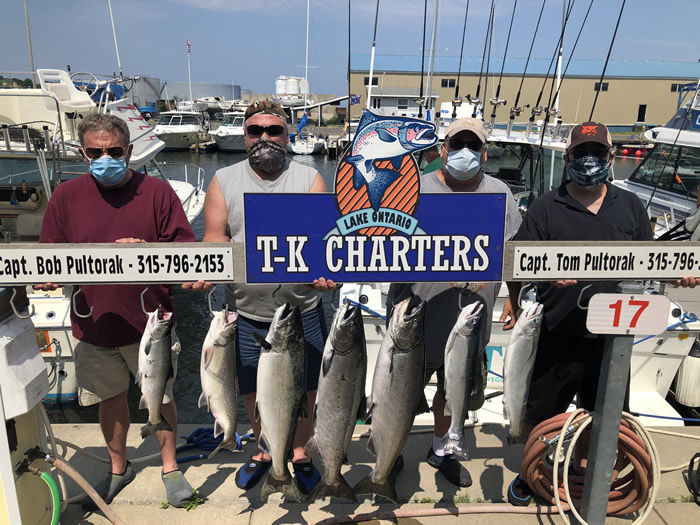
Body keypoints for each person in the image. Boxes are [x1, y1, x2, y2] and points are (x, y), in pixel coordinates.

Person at [36, 113, 196, 509]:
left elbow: (188, 250)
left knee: (161, 396)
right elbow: (49, 254)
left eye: (113, 151)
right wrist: (46, 276)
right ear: (82, 152)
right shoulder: (65, 196)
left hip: (151, 323)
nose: (105, 157)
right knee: (110, 398)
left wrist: (145, 248)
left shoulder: (158, 192)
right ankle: (117, 467)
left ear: (129, 151)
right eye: (96, 151)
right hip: (94, 321)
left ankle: (170, 467)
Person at [183, 100, 335, 495]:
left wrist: (326, 275)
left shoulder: (309, 179)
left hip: (302, 310)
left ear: (288, 136)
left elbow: (323, 240)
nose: (264, 137)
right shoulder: (223, 180)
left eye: (274, 130)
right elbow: (215, 237)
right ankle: (265, 449)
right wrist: (207, 271)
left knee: (305, 388)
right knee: (252, 385)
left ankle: (297, 450)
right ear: (245, 136)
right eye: (256, 131)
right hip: (246, 312)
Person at [503, 121, 654, 506]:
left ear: (611, 157)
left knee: (604, 411)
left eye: (598, 152)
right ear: (568, 157)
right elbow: (517, 264)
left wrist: (681, 277)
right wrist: (538, 280)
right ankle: (532, 473)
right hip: (556, 330)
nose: (590, 160)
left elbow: (651, 266)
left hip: (613, 337)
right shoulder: (545, 206)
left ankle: (585, 473)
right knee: (541, 410)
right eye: (582, 152)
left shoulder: (631, 207)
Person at [388, 117, 522, 487]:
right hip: (413, 317)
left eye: (473, 146)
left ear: (484, 152)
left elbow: (510, 251)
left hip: (468, 319)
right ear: (443, 149)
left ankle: (442, 448)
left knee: (451, 395)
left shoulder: (500, 193)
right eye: (456, 144)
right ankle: (392, 449)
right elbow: (377, 242)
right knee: (400, 392)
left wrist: (513, 297)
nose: (465, 152)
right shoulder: (412, 188)